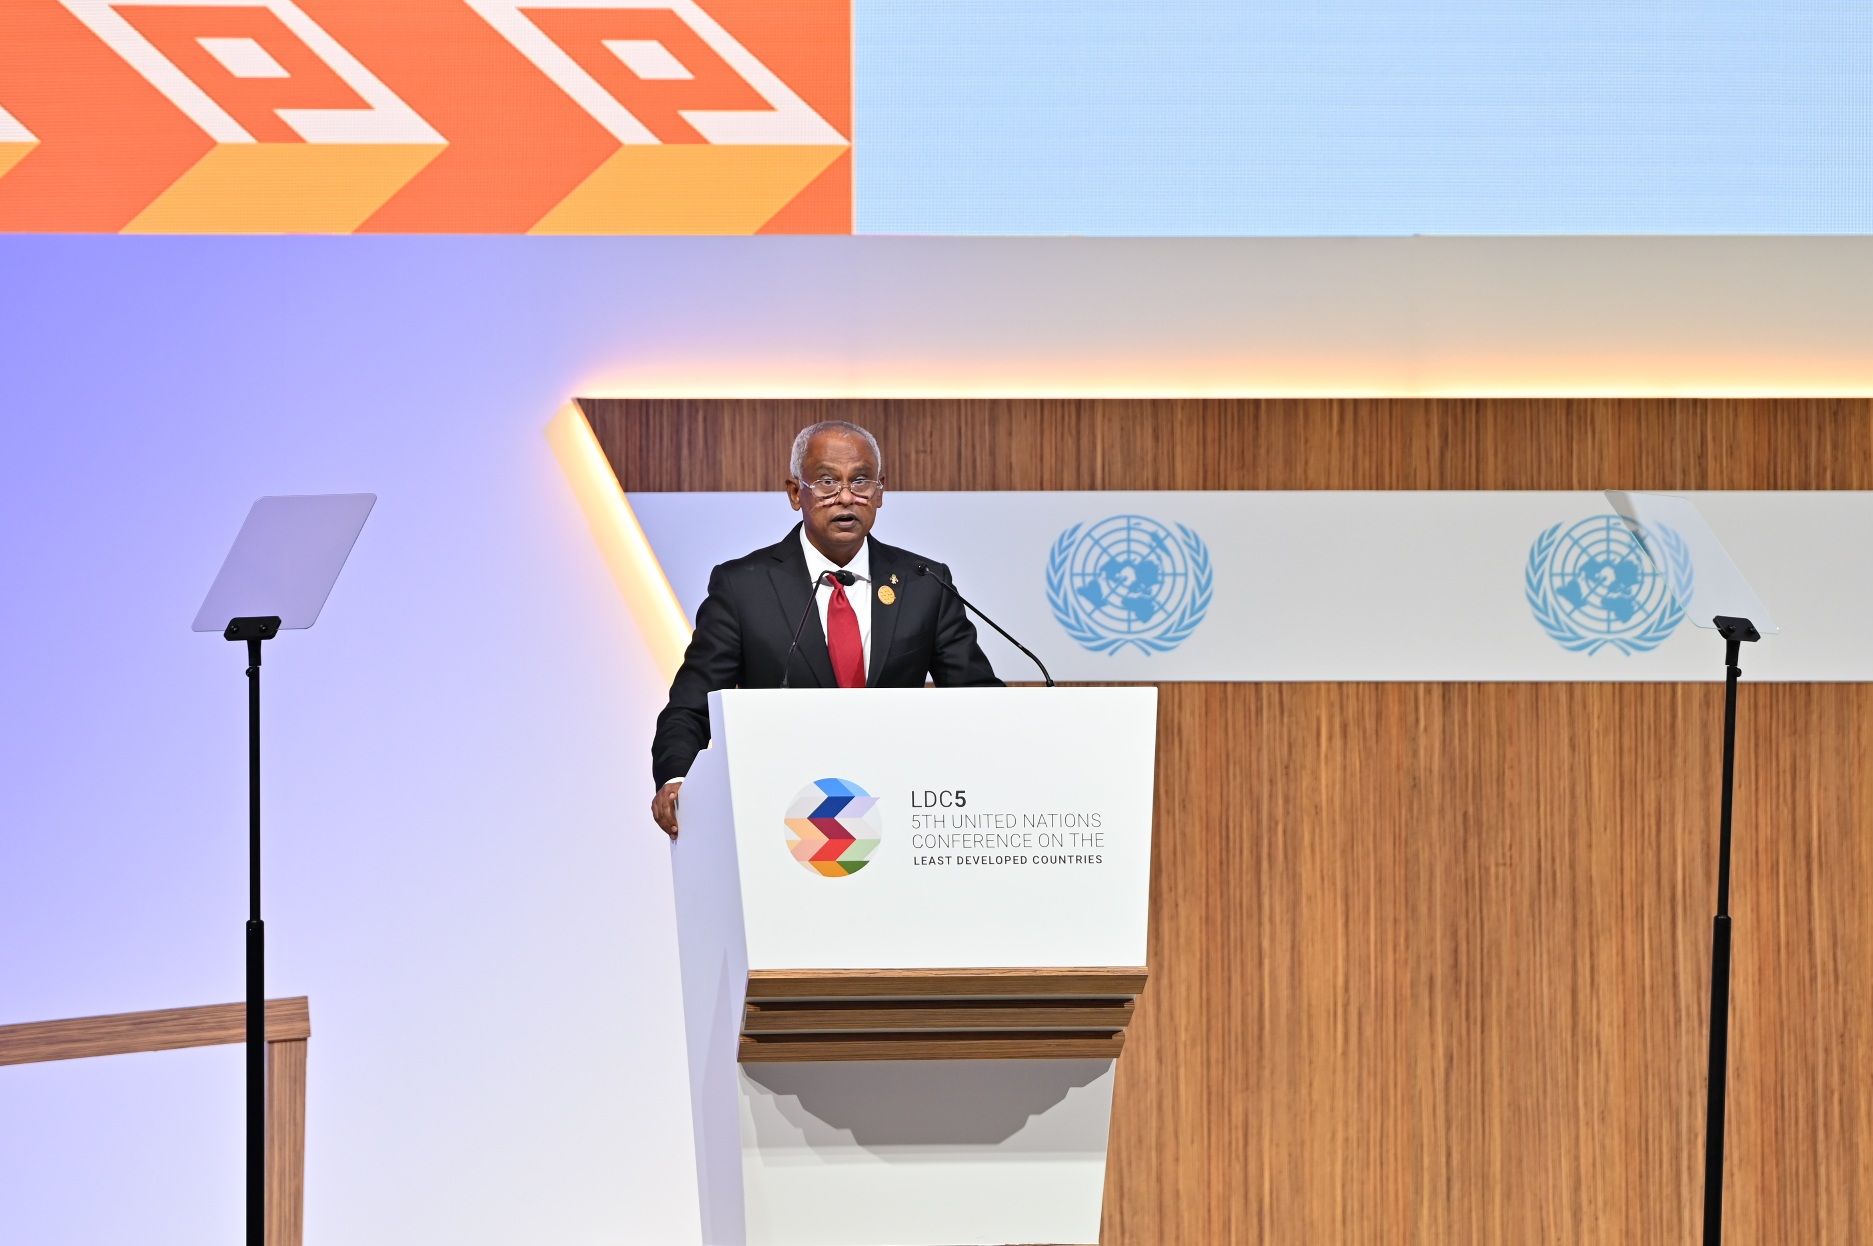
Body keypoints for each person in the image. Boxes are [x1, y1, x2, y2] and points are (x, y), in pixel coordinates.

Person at [649, 420, 1002, 836]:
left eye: (861, 481)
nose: (847, 497)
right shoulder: (743, 586)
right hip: (783, 813)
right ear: (796, 493)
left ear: (881, 492)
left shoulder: (925, 581)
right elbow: (692, 706)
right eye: (827, 482)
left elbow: (979, 701)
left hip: (900, 811)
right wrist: (677, 779)